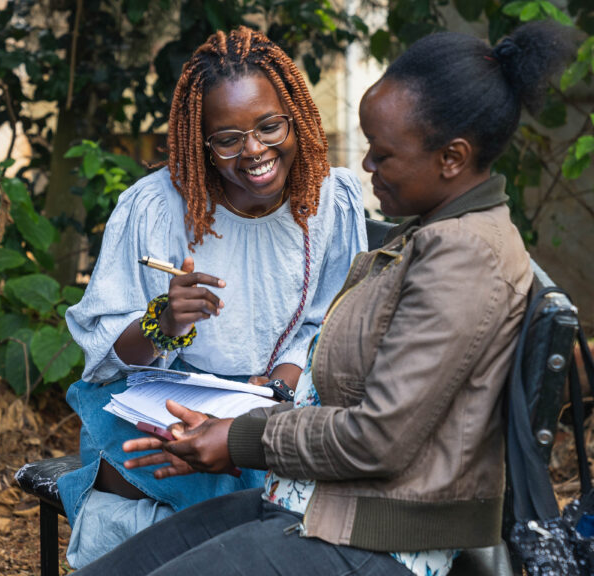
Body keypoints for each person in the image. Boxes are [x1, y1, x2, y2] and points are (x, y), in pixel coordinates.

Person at [71, 21, 574, 576]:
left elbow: (377, 436)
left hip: (373, 532)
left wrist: (241, 433)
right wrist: (184, 349)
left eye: (382, 154)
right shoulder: (431, 236)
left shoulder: (463, 258)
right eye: (228, 138)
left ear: (451, 158)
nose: (366, 166)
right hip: (318, 499)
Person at [60, 27, 367, 566]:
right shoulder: (155, 207)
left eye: (269, 126)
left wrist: (276, 391)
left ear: (295, 117)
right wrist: (163, 322)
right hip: (167, 403)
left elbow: (329, 324)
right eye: (228, 139)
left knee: (270, 460)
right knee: (160, 453)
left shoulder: (329, 202)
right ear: (199, 142)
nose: (254, 151)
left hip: (280, 399)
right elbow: (105, 359)